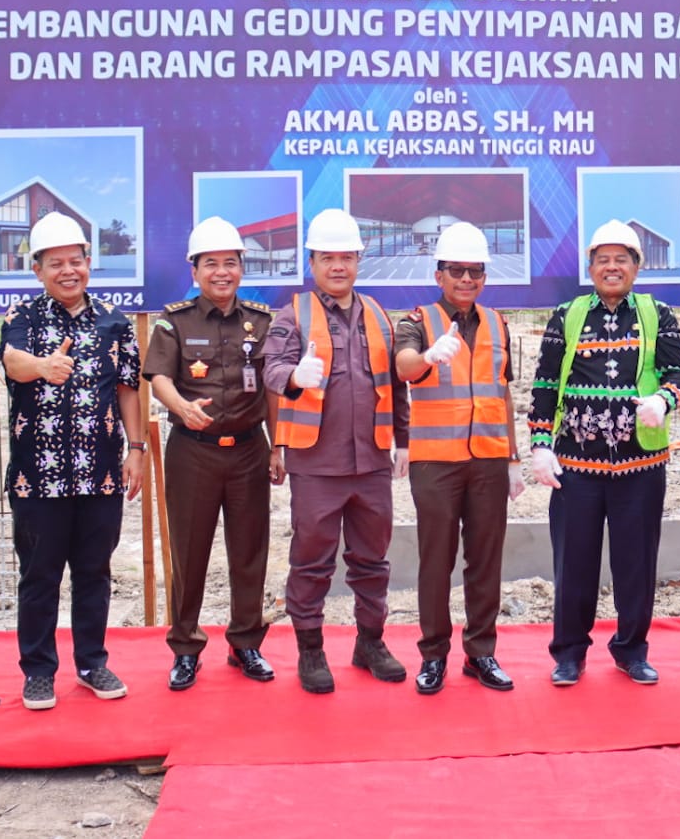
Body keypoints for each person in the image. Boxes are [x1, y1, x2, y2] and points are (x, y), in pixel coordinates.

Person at [529, 219, 680, 687]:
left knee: (636, 564)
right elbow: (545, 384)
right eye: (603, 260)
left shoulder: (659, 314)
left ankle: (631, 651)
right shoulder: (567, 315)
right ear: (590, 267)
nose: (612, 267)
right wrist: (540, 445)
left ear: (637, 267)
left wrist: (664, 400)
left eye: (622, 259)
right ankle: (569, 653)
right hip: (576, 466)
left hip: (641, 465)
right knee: (573, 564)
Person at [0, 211, 144, 711]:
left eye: (75, 261)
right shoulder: (22, 317)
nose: (68, 271)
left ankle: (91, 664)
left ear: (88, 262)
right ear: (37, 270)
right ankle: (38, 672)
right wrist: (44, 366)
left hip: (100, 474)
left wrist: (137, 449)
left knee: (94, 572)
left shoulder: (114, 321)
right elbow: (13, 362)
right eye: (55, 263)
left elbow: (128, 389)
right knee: (39, 577)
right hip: (38, 478)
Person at [264, 208, 411, 693]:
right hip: (317, 464)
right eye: (328, 258)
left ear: (358, 261)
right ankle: (310, 650)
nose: (338, 266)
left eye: (346, 257)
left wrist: (404, 442)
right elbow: (271, 369)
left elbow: (395, 384)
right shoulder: (293, 314)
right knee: (312, 560)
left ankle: (370, 643)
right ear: (312, 263)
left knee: (372, 560)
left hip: (371, 462)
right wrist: (293, 376)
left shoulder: (378, 315)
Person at [143, 217, 277, 691]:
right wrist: (180, 405)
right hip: (192, 453)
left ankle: (246, 643)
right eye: (211, 264)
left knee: (250, 551)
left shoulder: (262, 322)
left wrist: (278, 446)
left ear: (242, 268)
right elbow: (158, 377)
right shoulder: (175, 321)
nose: (222, 272)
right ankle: (185, 648)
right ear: (194, 270)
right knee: (189, 551)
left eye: (230, 263)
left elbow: (273, 389)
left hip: (248, 450)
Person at [394, 221, 525, 695]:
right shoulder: (415, 321)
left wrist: (513, 457)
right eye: (457, 270)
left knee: (485, 560)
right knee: (437, 560)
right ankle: (433, 655)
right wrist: (429, 355)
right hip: (436, 462)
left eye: (475, 271)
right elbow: (403, 366)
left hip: (488, 459)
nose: (467, 279)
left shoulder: (497, 323)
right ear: (439, 274)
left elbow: (503, 392)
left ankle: (481, 652)